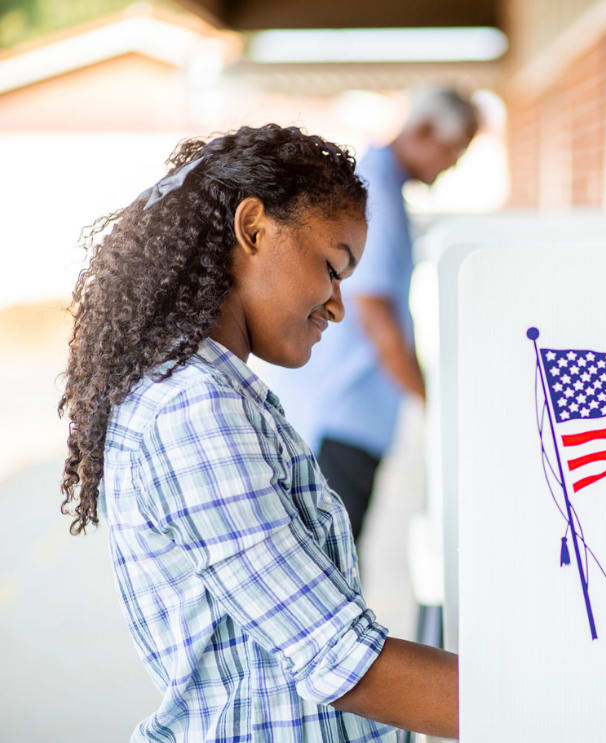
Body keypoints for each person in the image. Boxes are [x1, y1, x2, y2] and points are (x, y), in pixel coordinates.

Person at [57, 124, 458, 741]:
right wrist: (557, 706)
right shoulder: (194, 410)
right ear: (252, 230)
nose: (336, 306)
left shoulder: (216, 394)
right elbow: (343, 662)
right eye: (333, 267)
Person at [263, 86, 479, 543]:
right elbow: (376, 315)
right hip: (339, 417)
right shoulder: (373, 192)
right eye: (456, 148)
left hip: (354, 418)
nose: (456, 163)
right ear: (422, 131)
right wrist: (436, 405)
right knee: (330, 573)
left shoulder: (388, 187)